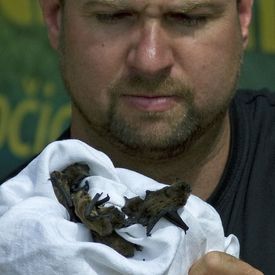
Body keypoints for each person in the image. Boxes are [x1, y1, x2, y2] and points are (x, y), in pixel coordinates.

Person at [2, 0, 275, 273]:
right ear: (55, 17)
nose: (150, 61)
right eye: (113, 16)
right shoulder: (10, 230)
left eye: (187, 17)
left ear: (242, 15)